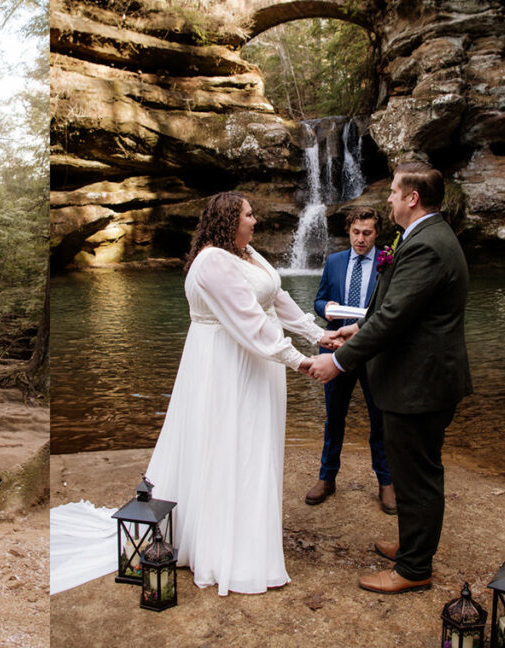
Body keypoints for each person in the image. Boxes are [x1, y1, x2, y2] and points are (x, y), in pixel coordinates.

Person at [144, 192, 333, 595]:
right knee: (231, 446)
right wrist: (300, 361)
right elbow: (249, 323)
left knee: (254, 445)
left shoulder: (246, 253)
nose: (256, 220)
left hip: (256, 360)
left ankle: (249, 533)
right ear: (229, 219)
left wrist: (320, 335)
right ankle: (226, 549)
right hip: (226, 364)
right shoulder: (213, 261)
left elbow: (276, 299)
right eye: (249, 214)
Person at [310, 161, 472, 594]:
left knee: (417, 473)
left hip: (420, 384)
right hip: (419, 380)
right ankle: (410, 543)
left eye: (395, 192)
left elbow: (396, 318)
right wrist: (353, 328)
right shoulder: (425, 237)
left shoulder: (427, 245)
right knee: (411, 467)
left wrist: (340, 360)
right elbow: (394, 311)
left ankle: (414, 569)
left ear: (412, 198)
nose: (389, 198)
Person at [305, 207, 396, 514]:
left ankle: (386, 483)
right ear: (348, 231)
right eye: (356, 232)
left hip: (375, 351)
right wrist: (325, 307)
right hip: (336, 347)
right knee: (334, 417)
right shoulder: (334, 262)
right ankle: (326, 478)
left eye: (367, 233)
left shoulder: (389, 261)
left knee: (379, 419)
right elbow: (319, 299)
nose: (360, 239)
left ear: (376, 233)